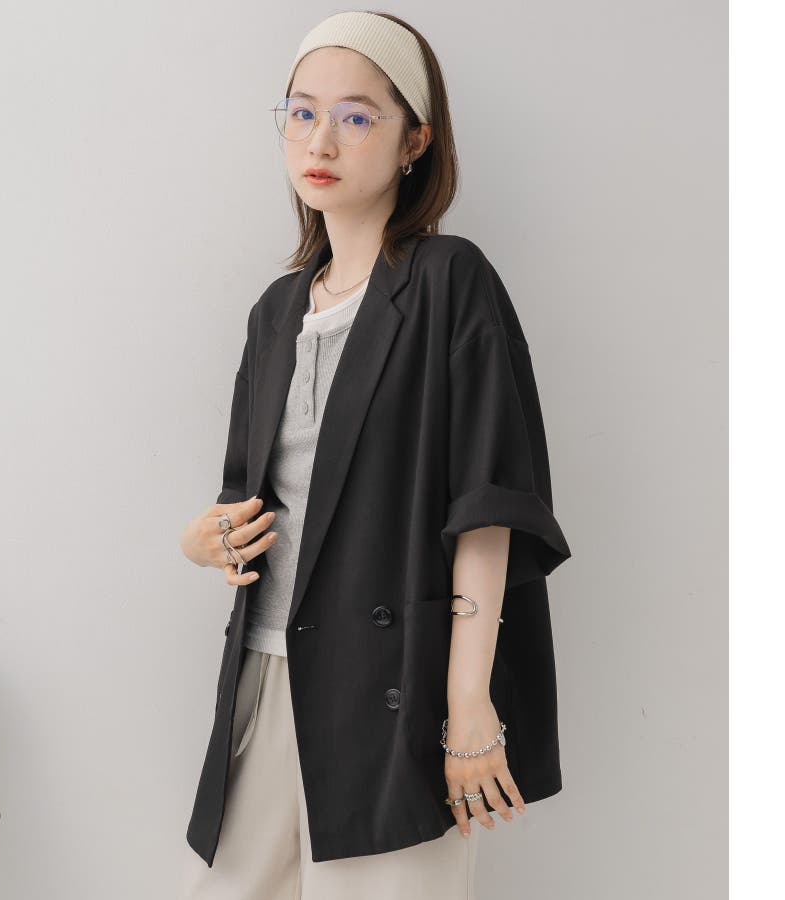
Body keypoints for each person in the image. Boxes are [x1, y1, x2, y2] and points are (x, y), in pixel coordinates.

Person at [177, 9, 571, 899]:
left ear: (414, 142)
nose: (320, 140)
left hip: (399, 689)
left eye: (356, 116)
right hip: (267, 671)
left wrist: (467, 704)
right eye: (301, 112)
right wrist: (202, 540)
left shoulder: (448, 281)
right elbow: (249, 499)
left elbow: (488, 505)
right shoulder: (275, 312)